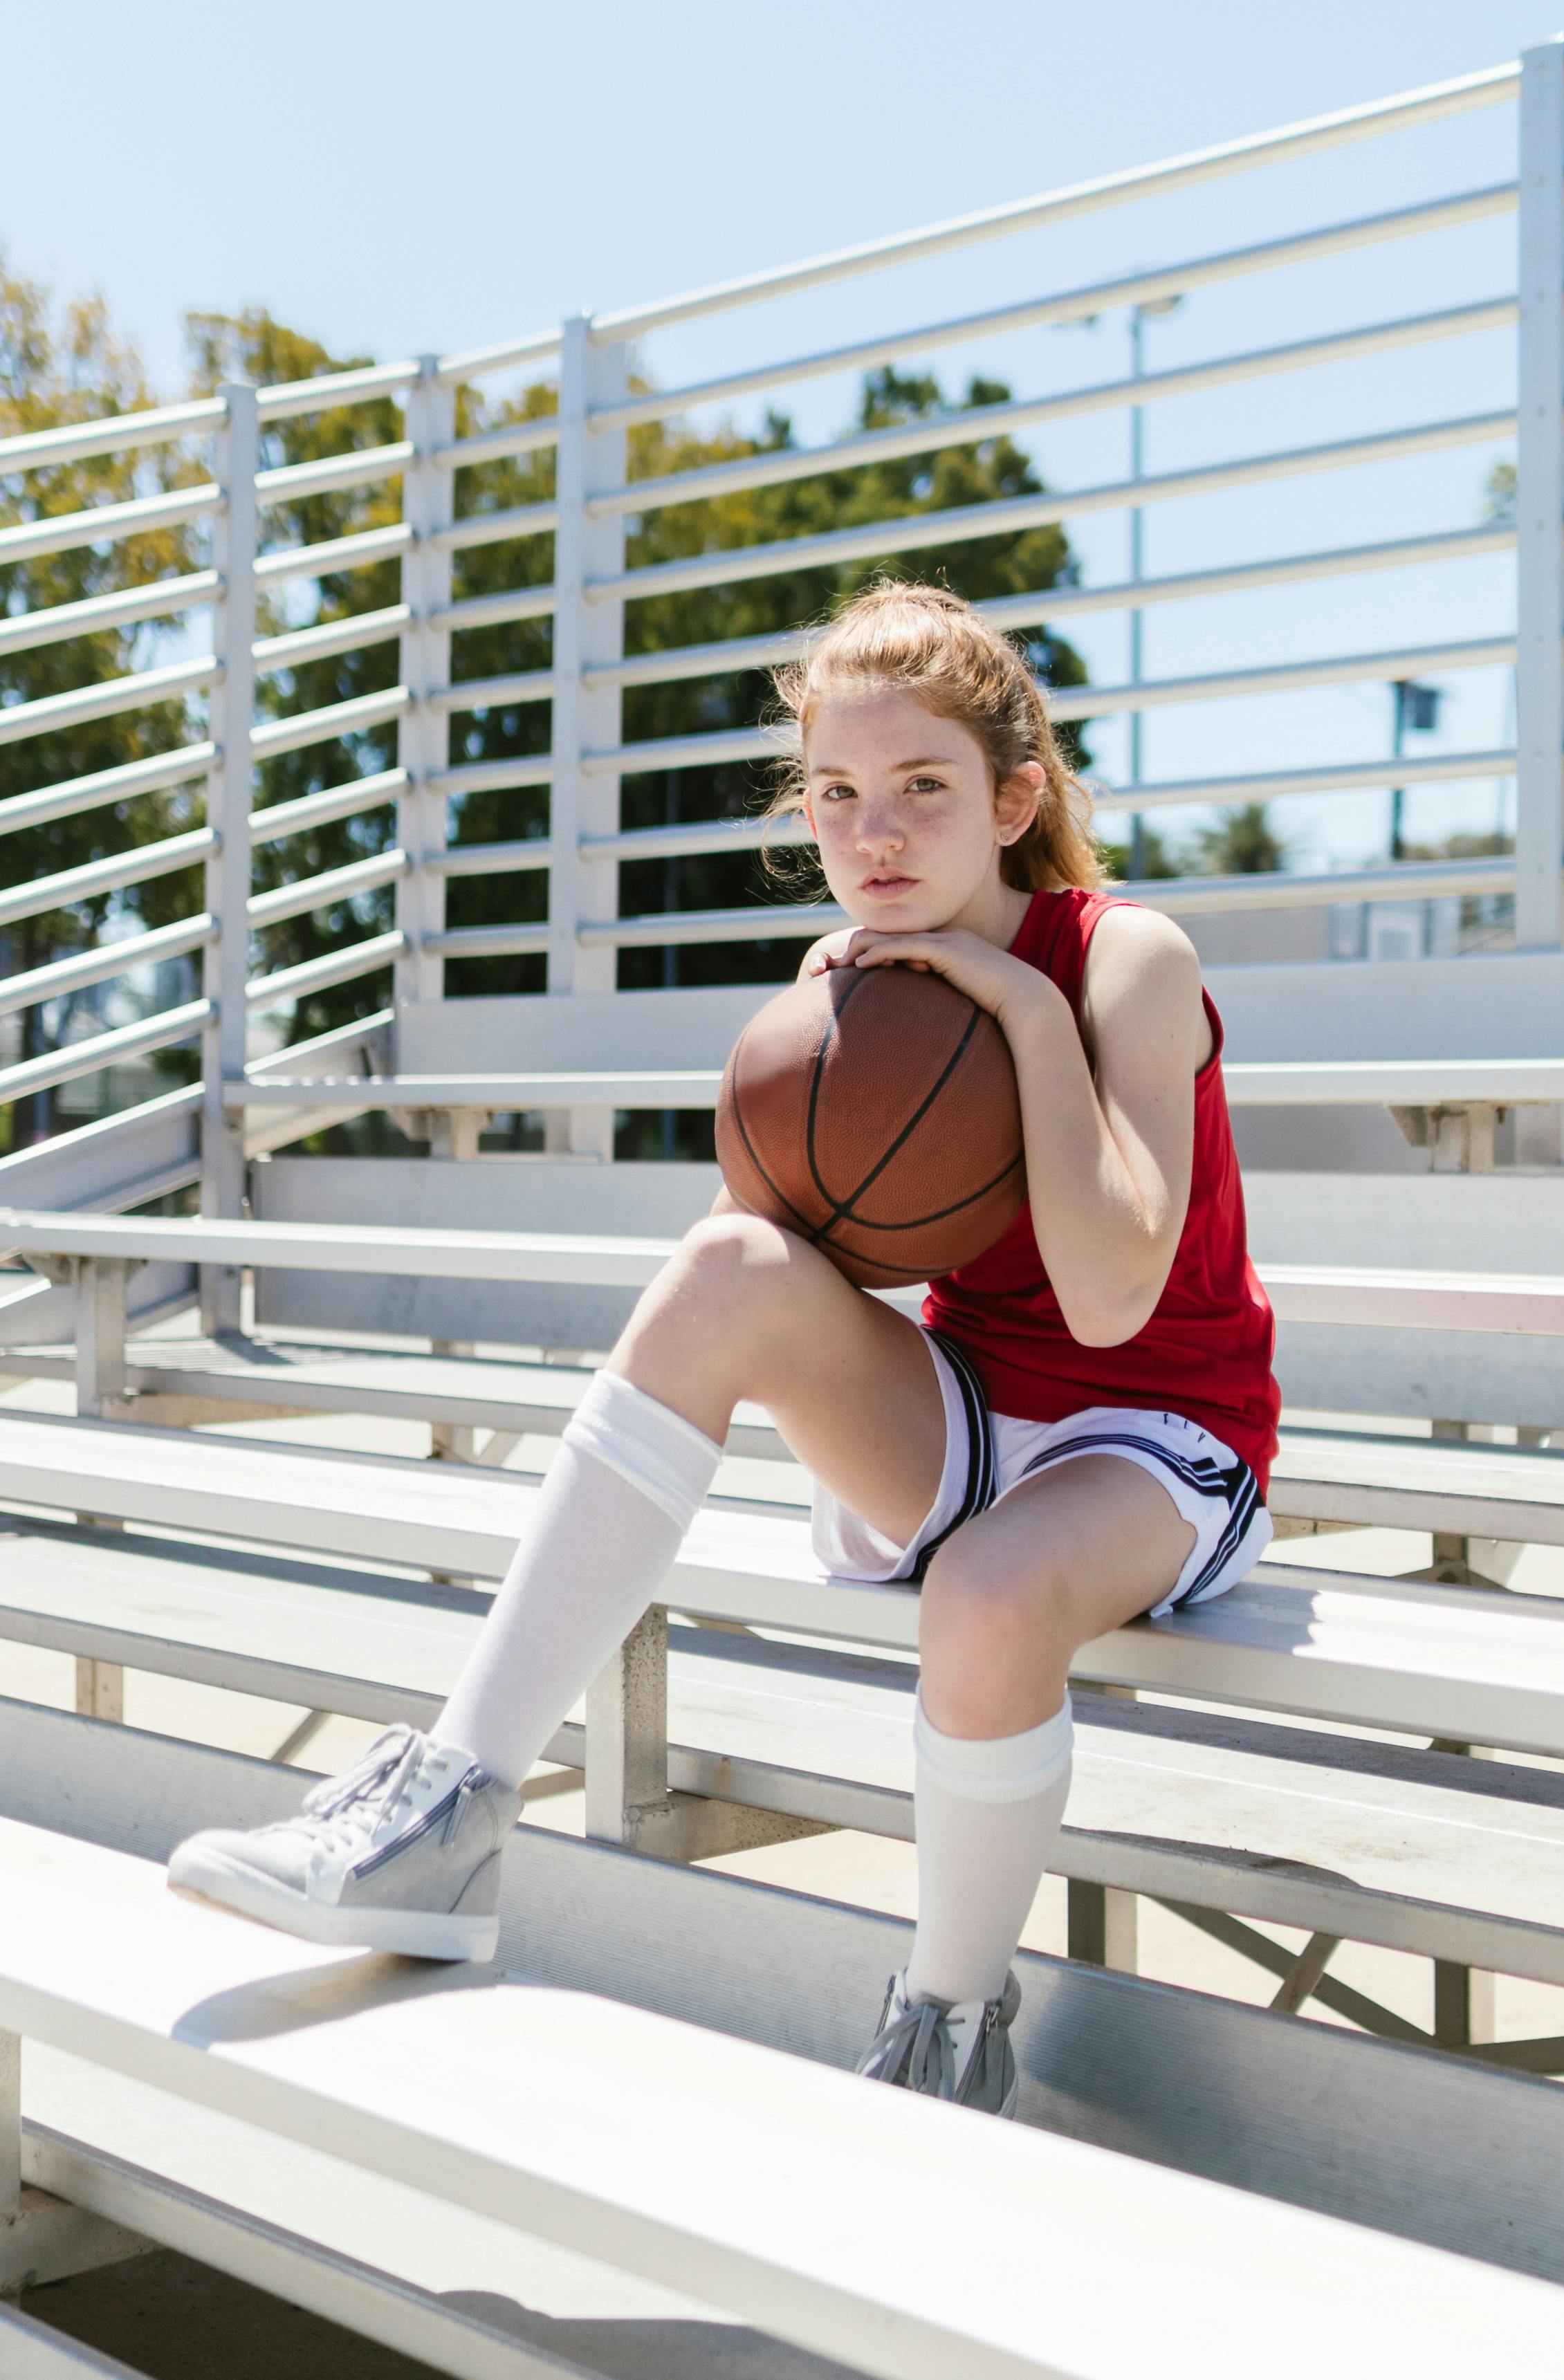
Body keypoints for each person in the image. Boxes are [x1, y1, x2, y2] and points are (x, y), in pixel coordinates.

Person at [168, 580, 1280, 2118]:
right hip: (962, 1411)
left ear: (1014, 798)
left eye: (921, 791)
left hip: (1154, 1436)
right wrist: (807, 1091)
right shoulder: (851, 984)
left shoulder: (1121, 959)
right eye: (836, 796)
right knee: (719, 1261)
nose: (872, 835)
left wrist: (1023, 1014)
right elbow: (744, 1276)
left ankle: (945, 2032)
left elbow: (1106, 1304)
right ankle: (447, 1810)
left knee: (991, 1588)